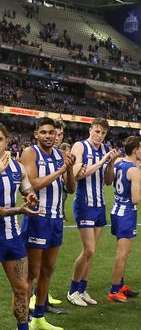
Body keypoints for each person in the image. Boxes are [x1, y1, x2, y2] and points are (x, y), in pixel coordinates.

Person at [20, 117, 77, 330]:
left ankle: (39, 319)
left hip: (55, 219)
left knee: (48, 270)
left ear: (56, 134)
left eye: (51, 132)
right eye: (43, 132)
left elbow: (70, 188)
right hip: (37, 218)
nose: (48, 136)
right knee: (31, 273)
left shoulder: (61, 155)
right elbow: (32, 183)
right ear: (36, 134)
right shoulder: (30, 153)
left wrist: (69, 168)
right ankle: (23, 321)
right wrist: (61, 170)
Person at [68, 118, 118, 307]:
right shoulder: (80, 146)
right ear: (90, 130)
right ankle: (73, 290)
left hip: (100, 205)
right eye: (97, 131)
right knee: (88, 249)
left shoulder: (106, 150)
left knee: (92, 252)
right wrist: (103, 160)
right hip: (84, 204)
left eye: (103, 133)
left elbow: (108, 181)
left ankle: (82, 289)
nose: (100, 136)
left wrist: (110, 163)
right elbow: (77, 174)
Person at [0, 123, 40, 330]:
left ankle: (22, 328)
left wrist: (31, 198)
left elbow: (27, 190)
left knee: (22, 287)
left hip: (10, 236)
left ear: (6, 141)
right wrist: (19, 210)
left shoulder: (18, 168)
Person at [107, 136, 141, 302]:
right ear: (135, 150)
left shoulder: (118, 162)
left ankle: (121, 285)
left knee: (121, 252)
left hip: (116, 210)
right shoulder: (134, 169)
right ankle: (114, 290)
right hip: (127, 213)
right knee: (122, 254)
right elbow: (135, 199)